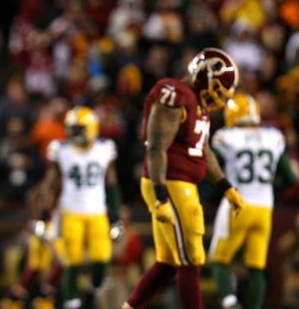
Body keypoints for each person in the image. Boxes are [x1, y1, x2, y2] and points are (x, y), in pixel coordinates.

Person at [122, 48, 246, 309]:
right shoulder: (174, 94)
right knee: (192, 257)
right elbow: (156, 147)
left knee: (168, 263)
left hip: (179, 184)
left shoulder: (197, 103)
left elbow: (203, 151)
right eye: (218, 92)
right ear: (205, 76)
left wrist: (226, 187)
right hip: (171, 183)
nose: (218, 100)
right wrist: (160, 196)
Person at [208, 93, 296, 309]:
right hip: (265, 209)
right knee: (256, 267)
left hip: (237, 204)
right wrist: (268, 188)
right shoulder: (272, 136)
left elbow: (212, 171)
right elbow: (290, 179)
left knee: (218, 260)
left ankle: (230, 303)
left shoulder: (226, 137)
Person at [42, 106, 122, 309]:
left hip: (97, 211)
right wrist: (44, 216)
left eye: (78, 129)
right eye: (71, 129)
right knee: (72, 262)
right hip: (70, 211)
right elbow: (50, 184)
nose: (73, 134)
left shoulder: (105, 148)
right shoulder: (61, 149)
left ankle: (91, 293)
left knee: (102, 260)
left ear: (92, 128)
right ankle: (72, 303)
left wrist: (116, 216)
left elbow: (111, 183)